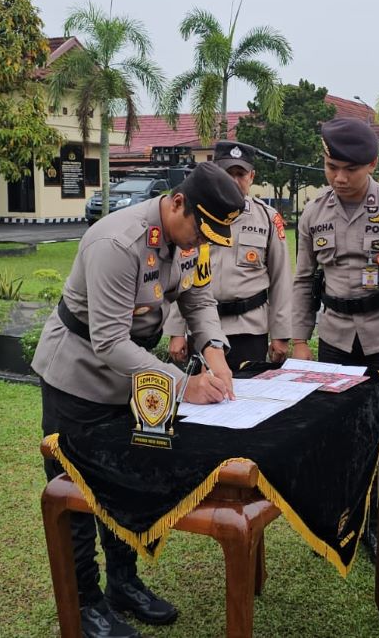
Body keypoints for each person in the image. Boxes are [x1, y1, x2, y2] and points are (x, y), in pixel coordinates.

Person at [31, 162, 243, 638]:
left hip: (134, 377)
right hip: (78, 379)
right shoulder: (117, 242)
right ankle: (85, 602)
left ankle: (123, 583)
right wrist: (182, 384)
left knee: (123, 483)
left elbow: (198, 299)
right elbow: (106, 340)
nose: (197, 244)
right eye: (196, 232)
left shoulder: (193, 236)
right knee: (77, 492)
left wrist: (214, 351)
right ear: (177, 203)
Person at [291, 118, 379, 569]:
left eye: (350, 169)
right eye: (331, 167)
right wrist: (299, 340)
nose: (339, 177)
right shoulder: (314, 213)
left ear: (371, 164)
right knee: (335, 433)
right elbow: (301, 281)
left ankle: (378, 524)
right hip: (334, 340)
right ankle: (340, 518)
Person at [165, 141, 291, 368]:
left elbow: (281, 279)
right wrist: (176, 330)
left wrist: (281, 334)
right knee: (203, 394)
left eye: (240, 173)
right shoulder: (195, 217)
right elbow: (181, 275)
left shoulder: (268, 219)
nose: (233, 180)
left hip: (249, 329)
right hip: (202, 326)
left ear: (252, 176)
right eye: (226, 173)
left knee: (248, 397)